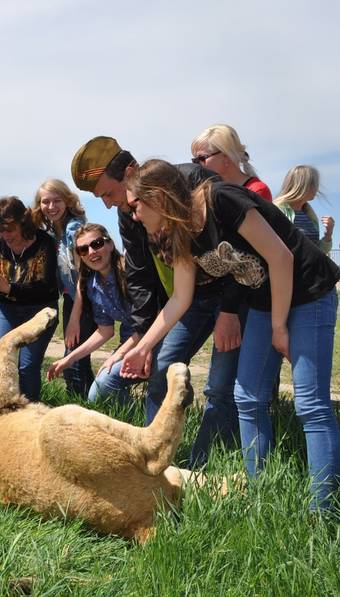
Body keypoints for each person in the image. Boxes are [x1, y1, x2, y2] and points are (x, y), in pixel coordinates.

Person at [122, 158, 340, 510]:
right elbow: (180, 298)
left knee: (310, 404)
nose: (133, 215)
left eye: (136, 205)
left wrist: (279, 326)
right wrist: (144, 347)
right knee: (248, 398)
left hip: (308, 291)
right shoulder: (180, 234)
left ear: (159, 197)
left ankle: (322, 512)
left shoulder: (221, 200)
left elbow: (281, 258)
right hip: (263, 301)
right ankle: (262, 497)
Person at [71, 136, 242, 467]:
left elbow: (239, 255)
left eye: (108, 193)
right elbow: (140, 279)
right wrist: (145, 341)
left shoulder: (196, 183)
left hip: (235, 293)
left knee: (220, 386)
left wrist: (231, 310)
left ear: (131, 173)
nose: (108, 205)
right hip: (189, 298)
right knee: (161, 370)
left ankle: (201, 466)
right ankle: (152, 461)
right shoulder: (129, 215)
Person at [46, 224, 140, 404]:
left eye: (96, 244)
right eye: (83, 249)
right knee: (98, 393)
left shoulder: (131, 273)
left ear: (110, 244)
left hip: (156, 338)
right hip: (131, 341)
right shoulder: (93, 285)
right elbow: (105, 330)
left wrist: (117, 355)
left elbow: (148, 322)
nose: (91, 252)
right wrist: (68, 359)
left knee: (104, 386)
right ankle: (131, 417)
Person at [0, 196, 58, 401]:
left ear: (22, 223)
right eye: (0, 230)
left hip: (40, 309)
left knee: (27, 365)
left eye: (10, 229)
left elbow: (46, 287)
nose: (5, 235)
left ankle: (29, 412)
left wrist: (9, 288)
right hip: (7, 308)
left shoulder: (44, 244)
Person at [34, 178, 94, 398]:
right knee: (78, 359)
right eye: (45, 202)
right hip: (72, 298)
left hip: (86, 299)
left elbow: (83, 277)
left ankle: (80, 408)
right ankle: (92, 404)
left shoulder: (74, 229)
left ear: (68, 201)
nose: (51, 207)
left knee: (74, 359)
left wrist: (74, 320)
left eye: (56, 200)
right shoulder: (52, 231)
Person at [191, 124, 272, 201]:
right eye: (195, 160)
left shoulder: (257, 191)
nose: (197, 165)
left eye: (201, 158)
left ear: (226, 156)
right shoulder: (204, 194)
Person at [274, 165, 334, 254]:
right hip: (288, 267)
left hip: (311, 267)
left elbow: (318, 252)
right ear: (304, 185)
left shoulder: (309, 214)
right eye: (315, 184)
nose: (317, 189)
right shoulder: (277, 210)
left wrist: (328, 234)